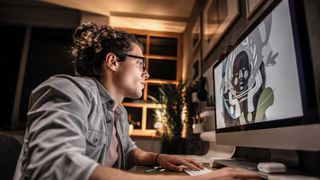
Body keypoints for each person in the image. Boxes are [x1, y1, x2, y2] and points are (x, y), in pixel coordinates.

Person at [14, 22, 259, 180]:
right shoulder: (68, 90)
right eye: (141, 63)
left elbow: (129, 151)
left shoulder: (118, 114)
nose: (146, 73)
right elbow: (53, 165)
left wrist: (158, 158)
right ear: (112, 62)